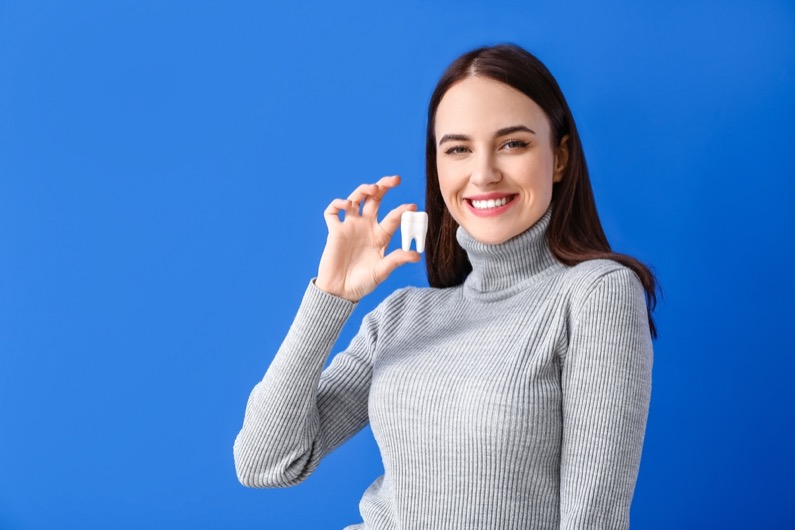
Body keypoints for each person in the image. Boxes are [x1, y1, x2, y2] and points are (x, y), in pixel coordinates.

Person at [234, 43, 658, 530]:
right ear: (437, 166)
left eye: (512, 144)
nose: (483, 173)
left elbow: (595, 520)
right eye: (458, 149)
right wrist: (330, 298)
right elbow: (264, 462)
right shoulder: (402, 317)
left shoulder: (596, 294)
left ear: (559, 158)